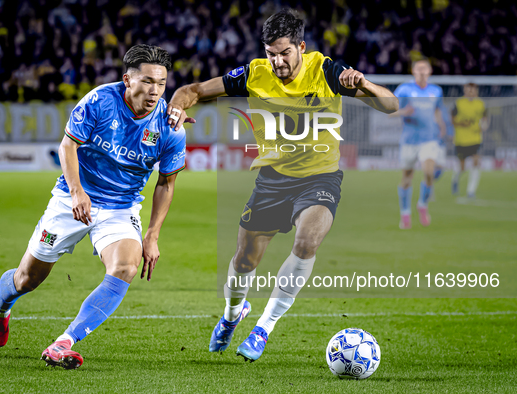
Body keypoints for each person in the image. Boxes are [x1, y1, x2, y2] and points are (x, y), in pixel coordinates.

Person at [167, 9, 398, 362]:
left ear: (301, 48)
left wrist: (364, 84)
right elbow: (192, 90)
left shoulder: (327, 71)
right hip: (272, 180)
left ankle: (264, 327)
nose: (277, 61)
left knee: (307, 242)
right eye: (270, 53)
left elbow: (391, 105)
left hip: (321, 177)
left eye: (284, 53)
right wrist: (176, 108)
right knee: (244, 261)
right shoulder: (253, 75)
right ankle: (232, 316)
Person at [0, 44, 191, 369]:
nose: (155, 91)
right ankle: (2, 303)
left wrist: (152, 234)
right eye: (147, 81)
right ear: (128, 79)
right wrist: (77, 191)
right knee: (28, 278)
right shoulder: (100, 100)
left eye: (162, 83)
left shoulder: (170, 127)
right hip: (72, 199)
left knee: (126, 266)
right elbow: (68, 145)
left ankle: (64, 342)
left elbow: (166, 183)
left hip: (121, 208)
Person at [391, 60, 446, 229]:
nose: (422, 71)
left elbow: (437, 110)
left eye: (425, 68)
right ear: (413, 71)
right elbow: (390, 111)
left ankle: (422, 204)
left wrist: (442, 126)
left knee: (429, 172)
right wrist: (403, 112)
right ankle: (405, 213)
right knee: (407, 178)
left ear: (430, 71)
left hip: (429, 139)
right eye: (418, 68)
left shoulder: (436, 91)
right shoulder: (404, 89)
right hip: (409, 140)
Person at [451, 83, 488, 198]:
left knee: (476, 162)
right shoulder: (459, 103)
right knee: (462, 168)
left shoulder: (481, 104)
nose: (470, 92)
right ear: (465, 91)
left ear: (476, 91)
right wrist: (462, 123)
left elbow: (485, 118)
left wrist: (484, 126)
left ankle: (471, 191)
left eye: (472, 90)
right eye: (468, 90)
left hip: (476, 139)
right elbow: (452, 120)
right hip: (461, 140)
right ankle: (455, 180)